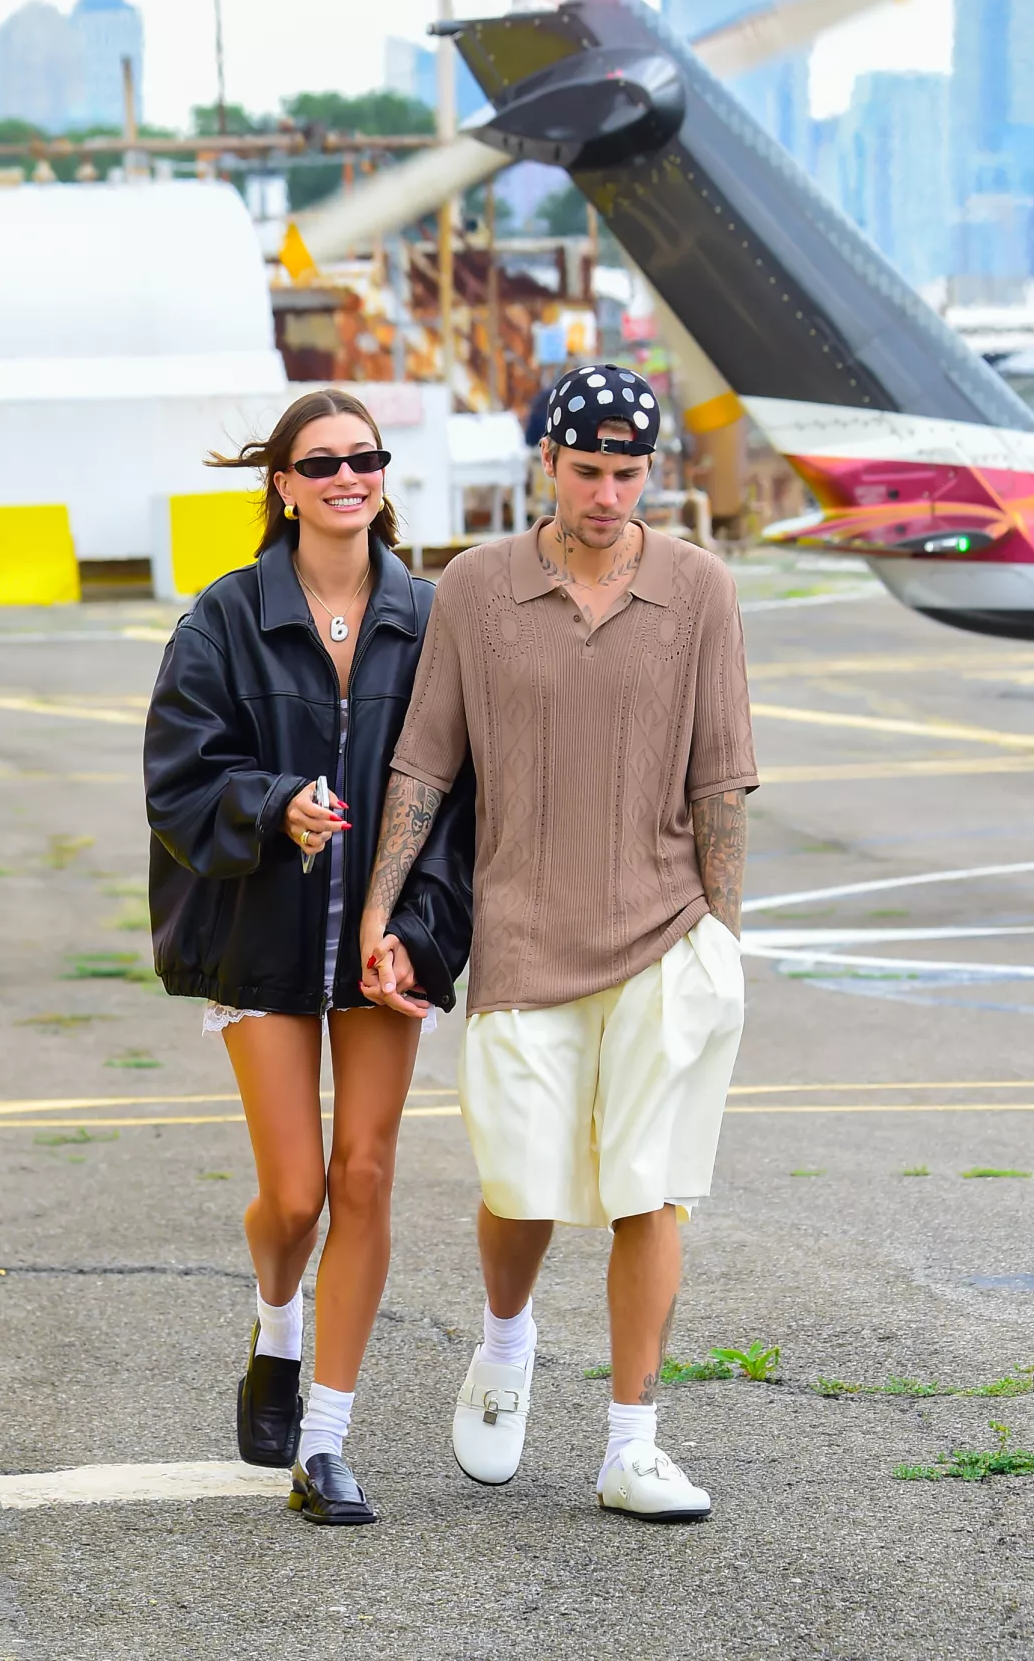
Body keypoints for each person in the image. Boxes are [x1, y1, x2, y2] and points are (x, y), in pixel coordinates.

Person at [359, 361, 756, 1522]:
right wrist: (383, 913)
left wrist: (721, 942)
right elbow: (426, 761)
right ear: (548, 463)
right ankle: (506, 1337)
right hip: (524, 935)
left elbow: (724, 778)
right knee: (519, 1182)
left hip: (666, 934)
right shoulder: (476, 590)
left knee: (652, 1190)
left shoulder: (700, 589)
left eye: (628, 473)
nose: (607, 493)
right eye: (587, 470)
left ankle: (632, 1442)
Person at [144, 388, 472, 1526]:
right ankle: (273, 1328)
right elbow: (179, 780)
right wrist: (276, 803)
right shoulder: (224, 618)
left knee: (366, 1176)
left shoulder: (433, 617)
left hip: (386, 944)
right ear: (280, 483)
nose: (349, 476)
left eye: (366, 458)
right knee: (295, 1194)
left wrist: (419, 930)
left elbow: (471, 796)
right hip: (262, 938)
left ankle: (324, 1440)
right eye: (322, 461)